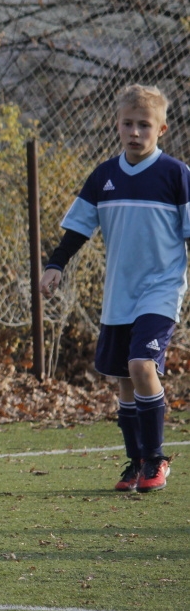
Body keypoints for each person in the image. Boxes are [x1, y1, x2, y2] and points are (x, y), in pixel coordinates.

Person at [40, 83, 190, 493]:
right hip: (119, 293)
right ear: (117, 126)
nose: (135, 131)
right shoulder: (104, 176)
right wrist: (55, 265)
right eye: (128, 123)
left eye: (145, 124)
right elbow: (77, 228)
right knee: (123, 380)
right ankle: (135, 462)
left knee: (142, 366)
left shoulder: (175, 174)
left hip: (161, 289)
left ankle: (157, 460)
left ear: (161, 129)